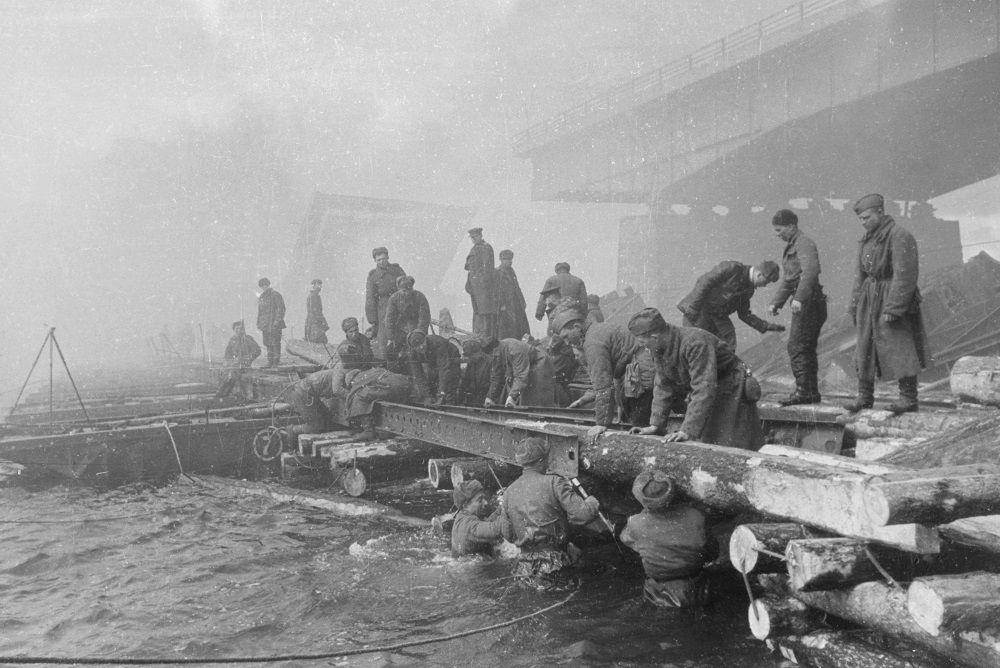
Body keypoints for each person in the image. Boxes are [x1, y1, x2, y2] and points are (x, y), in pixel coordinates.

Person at [627, 308, 764, 451]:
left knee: (732, 440)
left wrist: (687, 431)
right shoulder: (658, 348)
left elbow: (704, 387)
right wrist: (656, 425)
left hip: (731, 385)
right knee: (708, 438)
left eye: (642, 342)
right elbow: (663, 385)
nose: (642, 346)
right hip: (709, 386)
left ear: (655, 337)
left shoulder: (695, 343)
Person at [845, 194, 928, 414]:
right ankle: (865, 397)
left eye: (867, 217)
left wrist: (894, 307)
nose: (863, 222)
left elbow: (905, 275)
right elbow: (860, 276)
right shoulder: (866, 240)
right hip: (869, 298)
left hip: (891, 297)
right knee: (865, 346)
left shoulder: (900, 235)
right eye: (860, 219)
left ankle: (908, 398)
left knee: (900, 346)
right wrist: (854, 305)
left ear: (880, 212)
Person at [500, 437, 601, 590]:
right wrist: (591, 502)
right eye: (547, 458)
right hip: (554, 564)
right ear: (541, 461)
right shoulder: (554, 482)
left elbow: (507, 533)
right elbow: (584, 515)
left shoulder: (509, 491)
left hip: (525, 566)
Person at [620, 470, 710, 608]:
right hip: (698, 587)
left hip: (659, 592)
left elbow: (625, 538)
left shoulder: (635, 523)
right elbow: (712, 551)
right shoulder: (696, 515)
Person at [766, 209, 828, 406]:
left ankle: (804, 392)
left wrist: (799, 298)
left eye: (779, 230)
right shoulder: (794, 245)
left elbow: (810, 272)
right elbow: (789, 279)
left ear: (791, 227)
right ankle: (809, 392)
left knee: (798, 346)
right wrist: (776, 302)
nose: (777, 234)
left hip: (810, 301)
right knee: (804, 346)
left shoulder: (803, 243)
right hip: (806, 300)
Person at [557, 313, 639, 437]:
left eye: (566, 336)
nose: (567, 342)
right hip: (637, 367)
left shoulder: (592, 343)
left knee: (638, 422)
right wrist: (583, 400)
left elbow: (603, 383)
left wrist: (602, 423)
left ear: (577, 327)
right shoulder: (595, 330)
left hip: (638, 371)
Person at [677, 260, 784, 352]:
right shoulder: (732, 268)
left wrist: (765, 325)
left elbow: (744, 314)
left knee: (729, 345)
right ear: (759, 274)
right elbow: (704, 281)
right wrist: (693, 308)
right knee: (695, 347)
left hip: (717, 317)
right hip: (699, 310)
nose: (764, 285)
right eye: (766, 281)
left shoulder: (749, 290)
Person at [341, 367, 417, 440]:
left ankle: (368, 431)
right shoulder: (370, 372)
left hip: (390, 385)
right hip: (403, 384)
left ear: (352, 380)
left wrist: (348, 411)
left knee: (358, 397)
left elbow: (351, 395)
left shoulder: (358, 378)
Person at [486, 338, 558, 408]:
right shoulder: (497, 353)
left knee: (537, 402)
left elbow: (520, 376)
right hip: (527, 366)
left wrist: (512, 397)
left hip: (540, 362)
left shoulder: (514, 349)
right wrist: (490, 397)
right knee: (522, 400)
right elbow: (496, 376)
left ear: (495, 350)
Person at [365, 247, 407, 359]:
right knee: (383, 338)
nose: (381, 262)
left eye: (383, 258)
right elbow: (370, 298)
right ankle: (384, 363)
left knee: (403, 333)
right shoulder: (373, 276)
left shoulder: (397, 270)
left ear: (388, 257)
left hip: (399, 305)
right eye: (378, 260)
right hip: (383, 308)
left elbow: (406, 286)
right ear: (375, 260)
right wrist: (373, 319)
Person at [383, 275, 431, 368]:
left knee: (417, 348)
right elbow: (389, 319)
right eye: (404, 291)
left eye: (409, 290)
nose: (407, 293)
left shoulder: (420, 297)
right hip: (401, 326)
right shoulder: (394, 298)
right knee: (392, 348)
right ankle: (392, 370)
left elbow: (424, 318)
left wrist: (419, 335)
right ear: (399, 289)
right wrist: (391, 337)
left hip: (416, 327)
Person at [406, 330, 461, 405]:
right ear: (413, 348)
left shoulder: (438, 343)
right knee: (432, 383)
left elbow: (443, 369)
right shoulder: (411, 353)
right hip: (432, 359)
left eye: (422, 342)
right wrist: (427, 396)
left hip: (451, 356)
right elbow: (418, 375)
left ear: (426, 339)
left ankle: (450, 402)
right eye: (417, 346)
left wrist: (441, 393)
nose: (421, 347)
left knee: (449, 383)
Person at [451, 480, 503, 558]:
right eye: (480, 500)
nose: (485, 502)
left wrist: (503, 507)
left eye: (484, 498)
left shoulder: (462, 518)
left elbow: (485, 525)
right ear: (465, 505)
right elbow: (494, 530)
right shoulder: (468, 524)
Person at [287, 368, 337, 447]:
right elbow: (337, 391)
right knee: (315, 426)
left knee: (327, 418)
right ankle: (293, 430)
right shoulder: (340, 375)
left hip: (310, 393)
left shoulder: (341, 372)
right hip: (304, 394)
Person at [214, 321, 261, 401]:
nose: (238, 330)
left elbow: (257, 350)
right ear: (234, 330)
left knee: (232, 373)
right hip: (234, 363)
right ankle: (224, 394)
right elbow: (228, 352)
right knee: (225, 372)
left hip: (244, 363)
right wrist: (228, 360)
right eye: (236, 328)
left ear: (243, 329)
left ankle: (221, 393)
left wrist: (247, 358)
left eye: (240, 328)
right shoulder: (233, 339)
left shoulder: (248, 339)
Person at [465, 227, 498, 339]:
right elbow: (470, 269)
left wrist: (484, 282)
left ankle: (486, 332)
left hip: (483, 285)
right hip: (475, 285)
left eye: (475, 237)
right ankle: (481, 332)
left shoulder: (485, 247)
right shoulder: (474, 249)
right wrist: (469, 283)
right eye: (472, 238)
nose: (473, 239)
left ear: (480, 236)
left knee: (485, 310)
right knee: (478, 310)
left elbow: (487, 266)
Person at [495, 250, 531, 341]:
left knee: (521, 327)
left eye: (510, 259)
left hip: (516, 303)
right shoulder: (497, 272)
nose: (509, 261)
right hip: (506, 306)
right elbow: (497, 290)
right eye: (507, 259)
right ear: (501, 260)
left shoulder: (511, 271)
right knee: (506, 330)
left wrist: (522, 301)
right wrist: (502, 304)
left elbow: (517, 287)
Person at [256, 278, 286, 367]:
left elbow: (281, 309)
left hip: (274, 323)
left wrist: (277, 321)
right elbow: (260, 311)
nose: (264, 286)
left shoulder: (275, 294)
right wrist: (258, 322)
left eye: (266, 284)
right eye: (262, 285)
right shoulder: (261, 297)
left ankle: (276, 362)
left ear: (269, 284)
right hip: (265, 324)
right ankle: (270, 362)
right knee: (267, 343)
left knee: (275, 342)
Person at [458, 338, 493, 406]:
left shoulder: (490, 361)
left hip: (487, 397)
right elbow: (466, 380)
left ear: (479, 351)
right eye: (469, 356)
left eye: (472, 355)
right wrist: (460, 398)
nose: (470, 358)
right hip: (475, 396)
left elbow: (495, 381)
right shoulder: (471, 363)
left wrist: (489, 397)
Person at [305, 279, 330, 344]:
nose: (320, 286)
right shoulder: (313, 296)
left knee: (317, 340)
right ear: (313, 285)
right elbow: (314, 311)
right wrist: (322, 322)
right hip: (315, 322)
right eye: (318, 284)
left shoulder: (313, 295)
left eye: (320, 285)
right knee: (320, 340)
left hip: (314, 321)